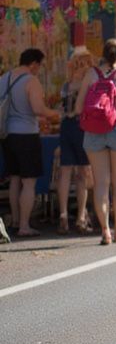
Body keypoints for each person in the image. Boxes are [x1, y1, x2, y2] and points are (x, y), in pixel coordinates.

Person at [75, 39, 116, 245]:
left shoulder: (91, 75)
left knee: (100, 182)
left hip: (93, 130)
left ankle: (105, 231)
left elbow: (78, 108)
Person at [2, 48, 60, 237]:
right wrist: (54, 113)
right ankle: (25, 226)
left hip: (7, 135)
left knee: (15, 179)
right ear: (34, 63)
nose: (38, 69)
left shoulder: (3, 78)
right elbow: (37, 109)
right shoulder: (31, 80)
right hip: (26, 134)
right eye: (39, 65)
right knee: (29, 182)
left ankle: (16, 220)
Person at [57, 47, 95, 234]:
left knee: (65, 173)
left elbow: (61, 110)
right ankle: (81, 216)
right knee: (83, 173)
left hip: (66, 127)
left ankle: (63, 215)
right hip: (82, 127)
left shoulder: (67, 84)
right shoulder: (88, 83)